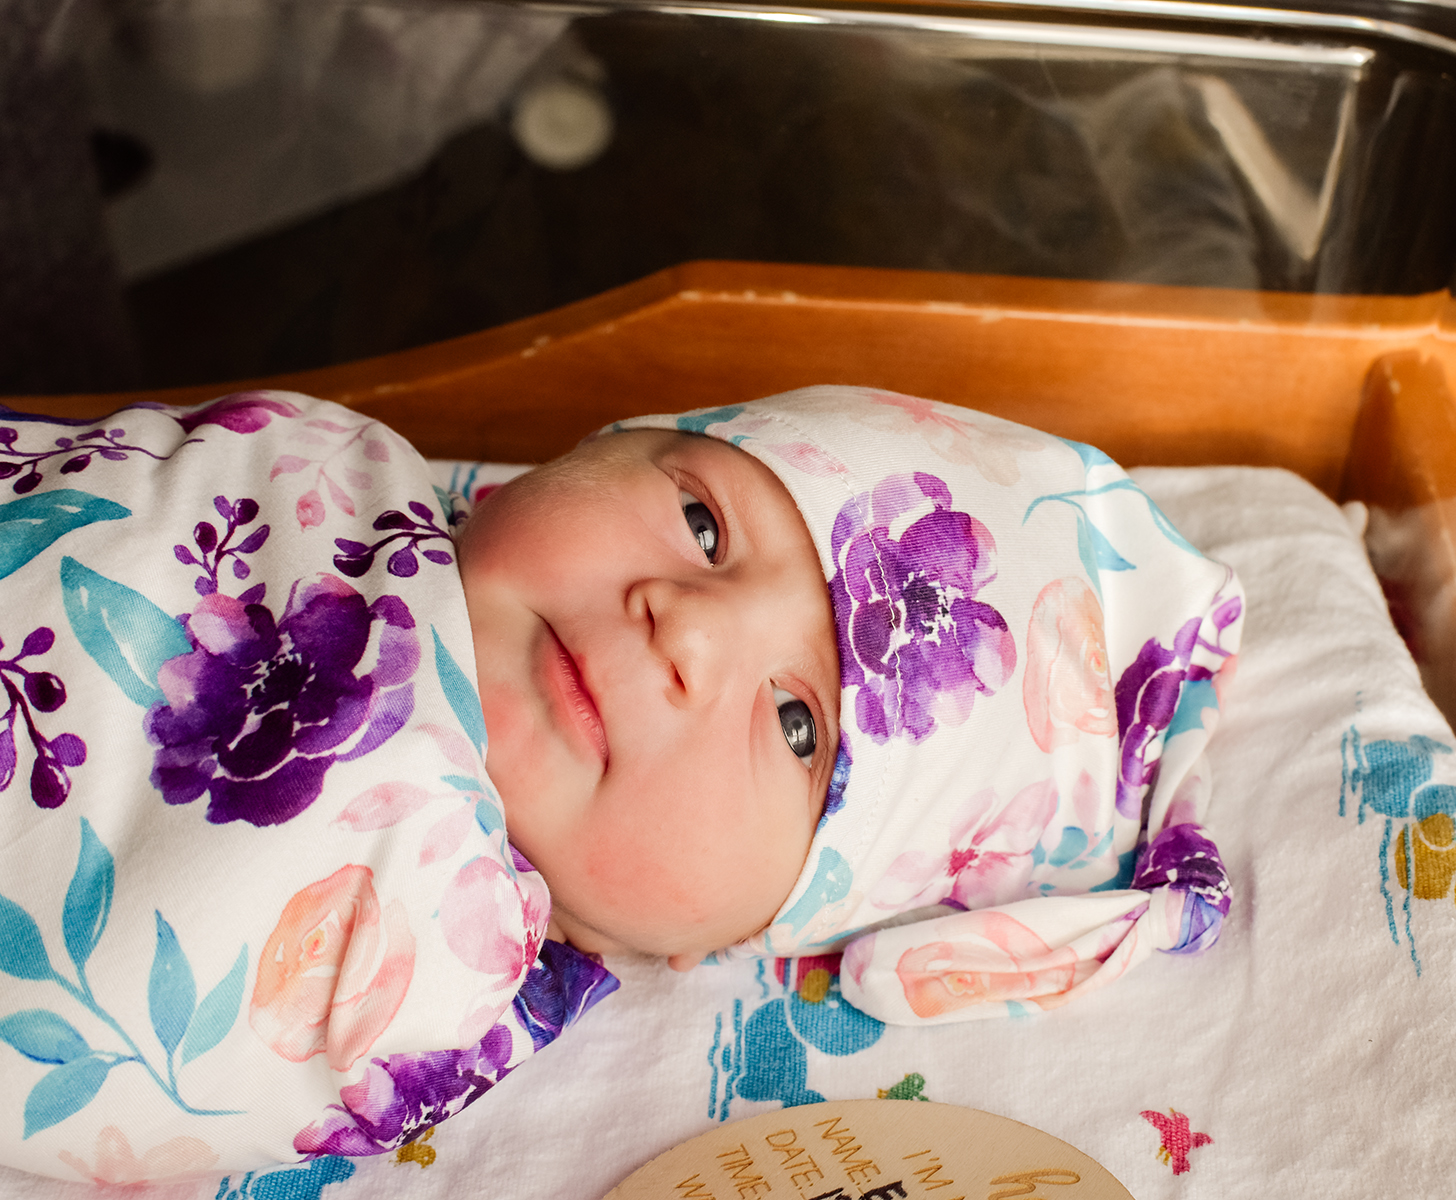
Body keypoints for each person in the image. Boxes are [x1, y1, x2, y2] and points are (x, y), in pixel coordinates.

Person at [0, 385, 1241, 1179]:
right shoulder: (314, 465)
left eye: (799, 727)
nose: (686, 628)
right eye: (705, 526)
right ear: (594, 447)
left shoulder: (430, 969)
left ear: (742, 931)